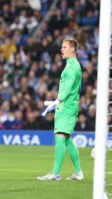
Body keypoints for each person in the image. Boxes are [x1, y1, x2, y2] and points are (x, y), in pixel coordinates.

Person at [37, 39, 83, 181]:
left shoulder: (71, 67)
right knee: (67, 140)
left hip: (66, 107)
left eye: (64, 47)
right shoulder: (73, 65)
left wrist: (57, 101)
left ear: (72, 50)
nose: (61, 50)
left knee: (60, 138)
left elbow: (67, 87)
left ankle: (55, 173)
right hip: (68, 106)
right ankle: (78, 172)